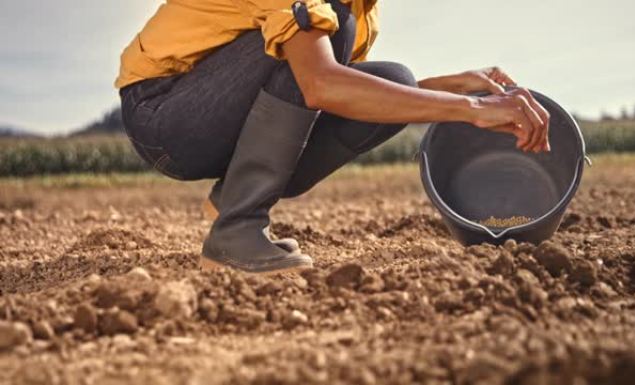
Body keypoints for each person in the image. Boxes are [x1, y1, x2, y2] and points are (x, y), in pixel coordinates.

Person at [116, 0, 551, 274]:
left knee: (394, 78)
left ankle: (233, 197)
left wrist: (451, 88)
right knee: (332, 29)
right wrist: (474, 111)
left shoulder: (360, 10)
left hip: (207, 112)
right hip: (166, 114)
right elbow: (321, 84)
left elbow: (341, 93)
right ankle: (236, 228)